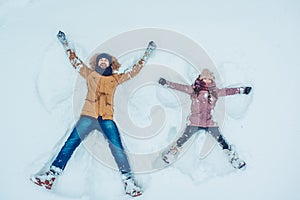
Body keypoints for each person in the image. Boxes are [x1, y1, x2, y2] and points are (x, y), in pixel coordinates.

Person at [30, 31, 156, 197]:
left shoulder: (115, 78)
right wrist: (65, 44)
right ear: (97, 63)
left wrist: (146, 54)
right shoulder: (90, 74)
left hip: (106, 119)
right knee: (70, 144)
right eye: (100, 60)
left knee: (117, 148)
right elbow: (75, 63)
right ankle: (51, 176)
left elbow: (133, 71)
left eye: (106, 60)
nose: (103, 62)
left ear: (111, 63)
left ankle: (129, 183)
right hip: (87, 116)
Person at [158, 68, 252, 169]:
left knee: (221, 140)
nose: (206, 80)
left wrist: (242, 90)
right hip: (194, 122)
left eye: (209, 78)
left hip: (209, 123)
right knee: (183, 138)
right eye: (204, 78)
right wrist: (166, 83)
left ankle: (233, 158)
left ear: (212, 79)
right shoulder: (194, 90)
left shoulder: (215, 92)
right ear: (200, 78)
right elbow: (179, 87)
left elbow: (229, 91)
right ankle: (171, 153)